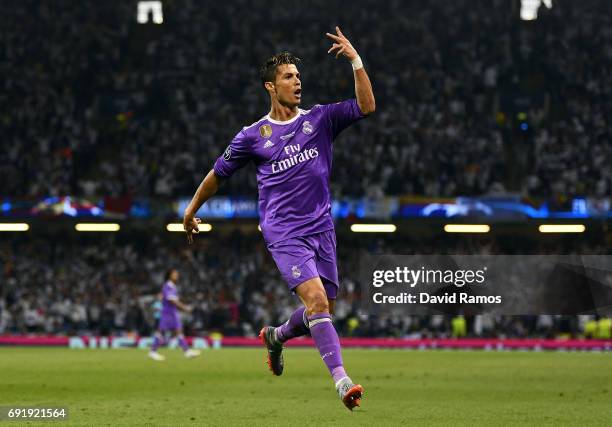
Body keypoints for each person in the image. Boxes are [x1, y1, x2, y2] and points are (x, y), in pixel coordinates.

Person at [182, 26, 375, 410]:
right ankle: (342, 381)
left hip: (321, 227)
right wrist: (190, 210)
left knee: (322, 309)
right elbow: (218, 174)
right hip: (284, 232)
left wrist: (355, 60)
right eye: (289, 77)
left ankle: (277, 336)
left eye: (298, 76)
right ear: (271, 86)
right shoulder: (253, 135)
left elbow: (366, 106)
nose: (297, 82)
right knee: (318, 302)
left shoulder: (320, 120)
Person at [148, 269, 201, 361]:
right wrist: (184, 308)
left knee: (179, 331)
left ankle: (187, 351)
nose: (177, 275)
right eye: (174, 274)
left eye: (177, 274)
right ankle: (153, 352)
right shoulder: (168, 285)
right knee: (161, 332)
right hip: (168, 313)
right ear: (169, 275)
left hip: (173, 312)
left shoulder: (172, 286)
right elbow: (172, 300)